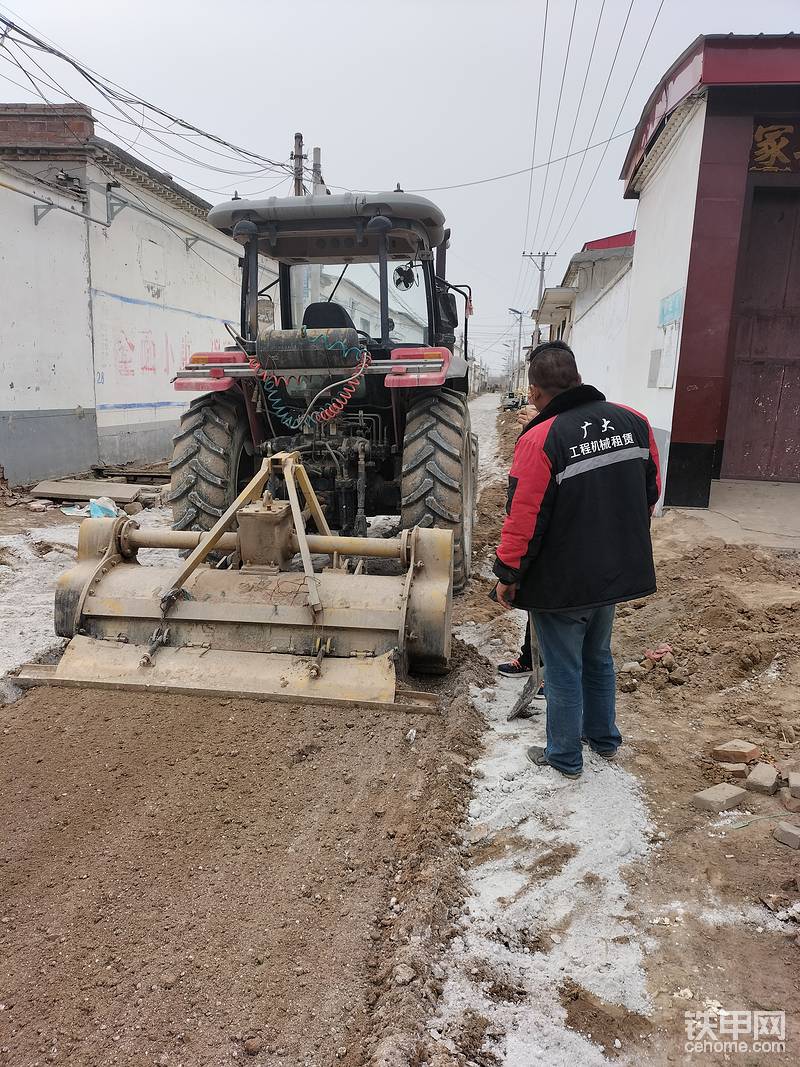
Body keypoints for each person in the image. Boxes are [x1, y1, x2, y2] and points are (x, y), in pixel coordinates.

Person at [492, 340, 661, 780]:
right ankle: (603, 741)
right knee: (599, 657)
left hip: (563, 582)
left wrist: (507, 576)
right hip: (612, 572)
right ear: (577, 377)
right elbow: (649, 494)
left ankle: (564, 757)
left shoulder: (540, 440)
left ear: (533, 392)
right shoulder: (636, 423)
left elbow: (522, 521)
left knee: (563, 667)